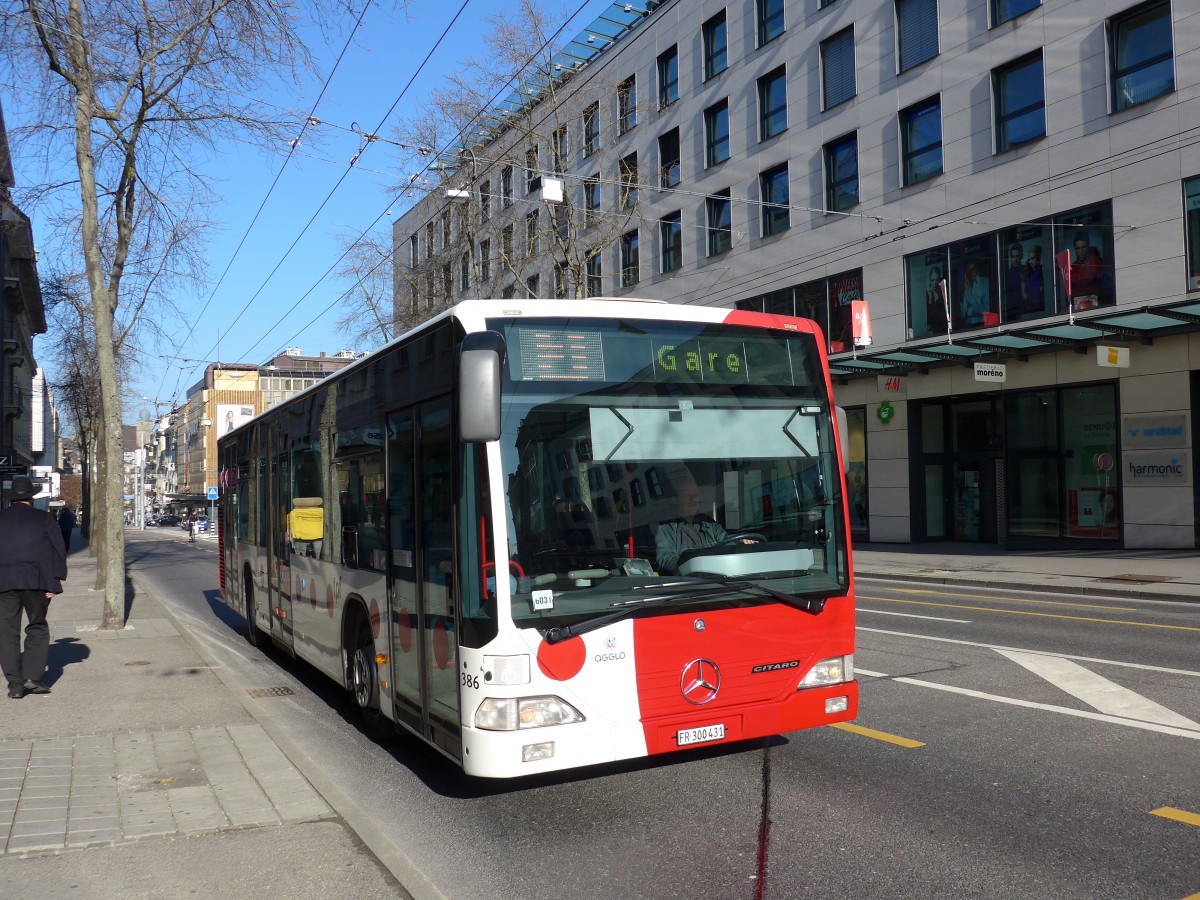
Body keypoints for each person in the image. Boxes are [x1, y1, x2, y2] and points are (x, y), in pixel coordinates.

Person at [0, 476, 67, 699]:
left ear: (12, 499)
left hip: (5, 582)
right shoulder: (44, 518)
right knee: (37, 626)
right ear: (31, 497)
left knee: (7, 633)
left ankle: (15, 686)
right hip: (37, 582)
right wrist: (54, 583)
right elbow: (57, 549)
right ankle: (32, 676)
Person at [655, 473, 753, 574]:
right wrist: (693, 563)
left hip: (719, 578)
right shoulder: (666, 527)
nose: (693, 499)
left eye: (695, 495)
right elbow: (664, 559)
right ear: (675, 500)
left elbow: (726, 544)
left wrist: (738, 546)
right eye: (687, 495)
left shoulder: (711, 524)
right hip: (688, 582)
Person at [1068, 230, 1107, 309]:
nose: (1081, 251)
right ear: (1075, 249)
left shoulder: (1096, 261)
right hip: (1077, 305)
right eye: (1078, 248)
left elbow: (1090, 278)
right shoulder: (1071, 267)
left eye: (1083, 247)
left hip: (1097, 302)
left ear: (1088, 246)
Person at [960, 261, 991, 325]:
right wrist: (965, 292)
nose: (971, 272)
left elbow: (987, 309)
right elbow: (962, 315)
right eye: (968, 271)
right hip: (967, 325)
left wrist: (970, 299)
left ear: (977, 269)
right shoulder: (965, 286)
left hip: (981, 323)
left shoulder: (985, 282)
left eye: (973, 269)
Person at [1003, 243, 1028, 321]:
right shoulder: (1006, 275)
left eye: (1017, 256)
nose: (1015, 259)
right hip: (1012, 310)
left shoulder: (1026, 270)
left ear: (1022, 256)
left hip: (1027, 307)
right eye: (1013, 256)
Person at [924, 266, 947, 335]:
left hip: (944, 329)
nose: (935, 283)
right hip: (932, 331)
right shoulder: (926, 294)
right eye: (932, 280)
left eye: (937, 280)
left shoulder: (943, 292)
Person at [1024, 244, 1045, 314]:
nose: (1031, 262)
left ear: (1039, 257)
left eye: (1033, 258)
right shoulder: (1028, 274)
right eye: (1029, 259)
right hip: (1030, 309)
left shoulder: (1043, 271)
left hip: (1040, 308)